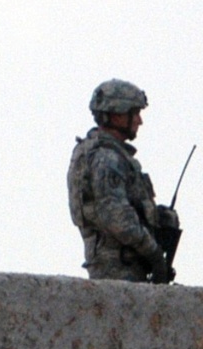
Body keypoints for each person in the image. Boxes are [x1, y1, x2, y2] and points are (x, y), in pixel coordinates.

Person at [67, 79, 177, 283]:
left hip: (125, 267)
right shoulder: (106, 159)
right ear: (116, 114)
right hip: (118, 271)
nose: (139, 121)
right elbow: (117, 217)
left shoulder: (104, 155)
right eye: (134, 113)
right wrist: (153, 253)